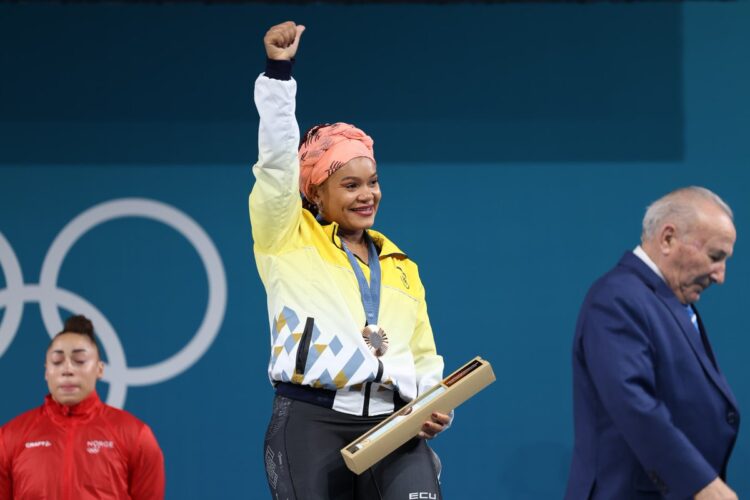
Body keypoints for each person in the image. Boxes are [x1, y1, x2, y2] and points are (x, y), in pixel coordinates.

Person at [250, 21, 450, 500]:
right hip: (311, 420)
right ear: (316, 192)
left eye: (373, 182)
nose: (368, 195)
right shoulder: (288, 238)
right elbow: (275, 163)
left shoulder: (400, 265)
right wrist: (279, 76)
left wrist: (433, 400)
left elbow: (422, 354)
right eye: (351, 185)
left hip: (394, 423)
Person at [565, 187, 740, 500]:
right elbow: (632, 401)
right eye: (715, 257)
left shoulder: (662, 299)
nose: (720, 276)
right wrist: (700, 484)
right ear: (668, 238)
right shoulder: (617, 298)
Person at [0, 314, 165, 499]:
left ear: (100, 369)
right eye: (57, 361)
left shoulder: (136, 436)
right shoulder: (9, 438)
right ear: (46, 371)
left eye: (79, 361)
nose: (67, 370)